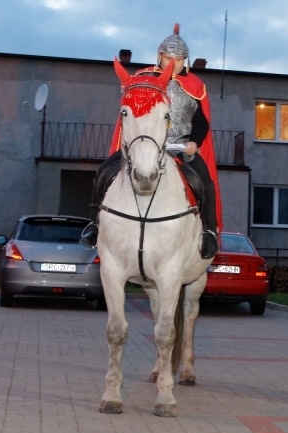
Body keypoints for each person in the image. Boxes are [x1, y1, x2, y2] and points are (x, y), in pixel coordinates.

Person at [82, 24, 222, 259]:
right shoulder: (143, 79)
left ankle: (208, 232)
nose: (173, 63)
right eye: (169, 58)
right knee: (105, 170)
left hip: (179, 148)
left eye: (179, 59)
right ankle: (94, 225)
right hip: (142, 146)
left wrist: (195, 143)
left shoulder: (195, 87)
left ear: (185, 61)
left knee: (204, 181)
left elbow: (201, 123)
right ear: (160, 57)